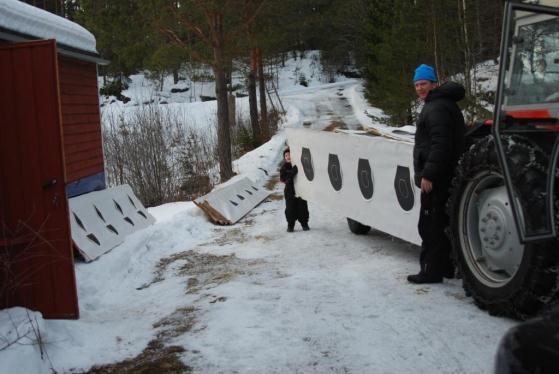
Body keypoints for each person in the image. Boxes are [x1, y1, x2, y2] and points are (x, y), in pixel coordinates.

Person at [408, 64, 466, 284]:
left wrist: (429, 174)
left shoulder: (437, 107)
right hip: (445, 175)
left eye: (423, 83)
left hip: (437, 178)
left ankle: (431, 271)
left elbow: (441, 145)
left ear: (434, 84)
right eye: (416, 85)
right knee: (441, 223)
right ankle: (445, 268)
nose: (420, 88)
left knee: (430, 225)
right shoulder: (439, 103)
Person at [279, 148, 310, 232]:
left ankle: (304, 224)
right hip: (290, 192)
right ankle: (290, 225)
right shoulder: (284, 168)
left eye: (289, 155)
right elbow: (283, 179)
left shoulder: (299, 165)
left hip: (301, 190)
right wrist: (292, 173)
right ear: (284, 158)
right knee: (290, 209)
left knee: (302, 208)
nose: (288, 157)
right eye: (286, 155)